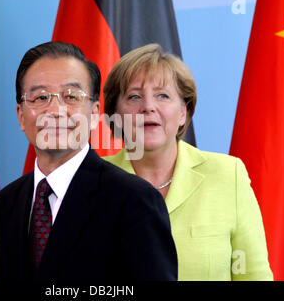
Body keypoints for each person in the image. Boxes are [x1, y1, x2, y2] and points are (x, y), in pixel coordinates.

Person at [0, 41, 177, 281]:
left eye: (71, 96)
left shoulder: (134, 199)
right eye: (40, 97)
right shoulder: (6, 203)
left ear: (93, 114)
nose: (56, 110)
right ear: (20, 115)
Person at [103, 43, 273, 281]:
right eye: (134, 96)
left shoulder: (228, 175)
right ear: (116, 114)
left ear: (183, 113)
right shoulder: (91, 182)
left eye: (163, 95)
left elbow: (253, 276)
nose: (148, 107)